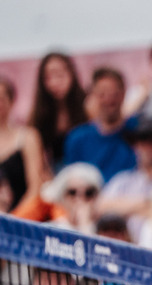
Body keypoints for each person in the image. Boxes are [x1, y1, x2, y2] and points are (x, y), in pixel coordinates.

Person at [63, 67, 138, 182]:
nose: (108, 99)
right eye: (102, 94)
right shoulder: (77, 139)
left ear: (123, 94)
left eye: (114, 93)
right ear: (93, 96)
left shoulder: (139, 130)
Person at [28, 52, 88, 171]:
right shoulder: (39, 115)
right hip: (55, 172)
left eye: (60, 75)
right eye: (48, 77)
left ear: (72, 73)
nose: (54, 82)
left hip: (85, 169)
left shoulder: (87, 106)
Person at [0, 76, 46, 213]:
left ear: (11, 101)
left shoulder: (28, 137)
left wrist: (13, 220)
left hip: (22, 216)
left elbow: (35, 187)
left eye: (1, 99)